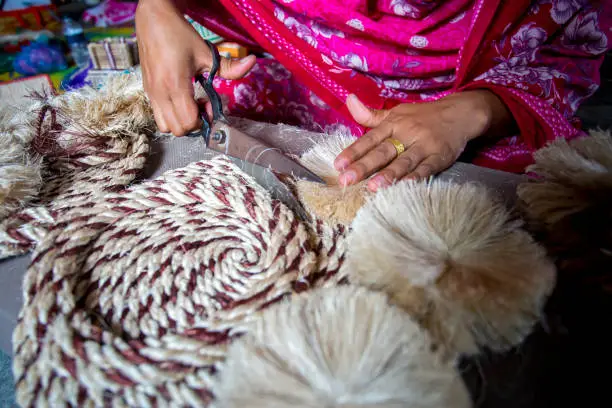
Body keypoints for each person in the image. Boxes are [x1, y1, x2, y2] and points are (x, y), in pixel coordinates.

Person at [135, 0, 611, 192]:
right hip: (317, 79)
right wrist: (155, 7)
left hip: (480, 119)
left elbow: (567, 53)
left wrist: (472, 110)